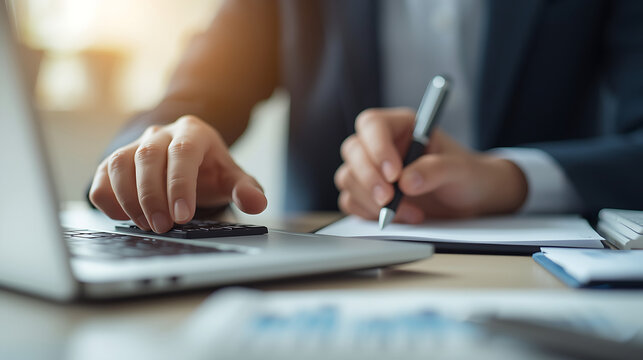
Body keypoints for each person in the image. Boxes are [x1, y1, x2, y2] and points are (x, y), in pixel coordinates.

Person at [89, 0, 643, 234]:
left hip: (546, 276)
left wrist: (511, 179)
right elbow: (189, 100)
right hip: (326, 276)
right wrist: (162, 157)